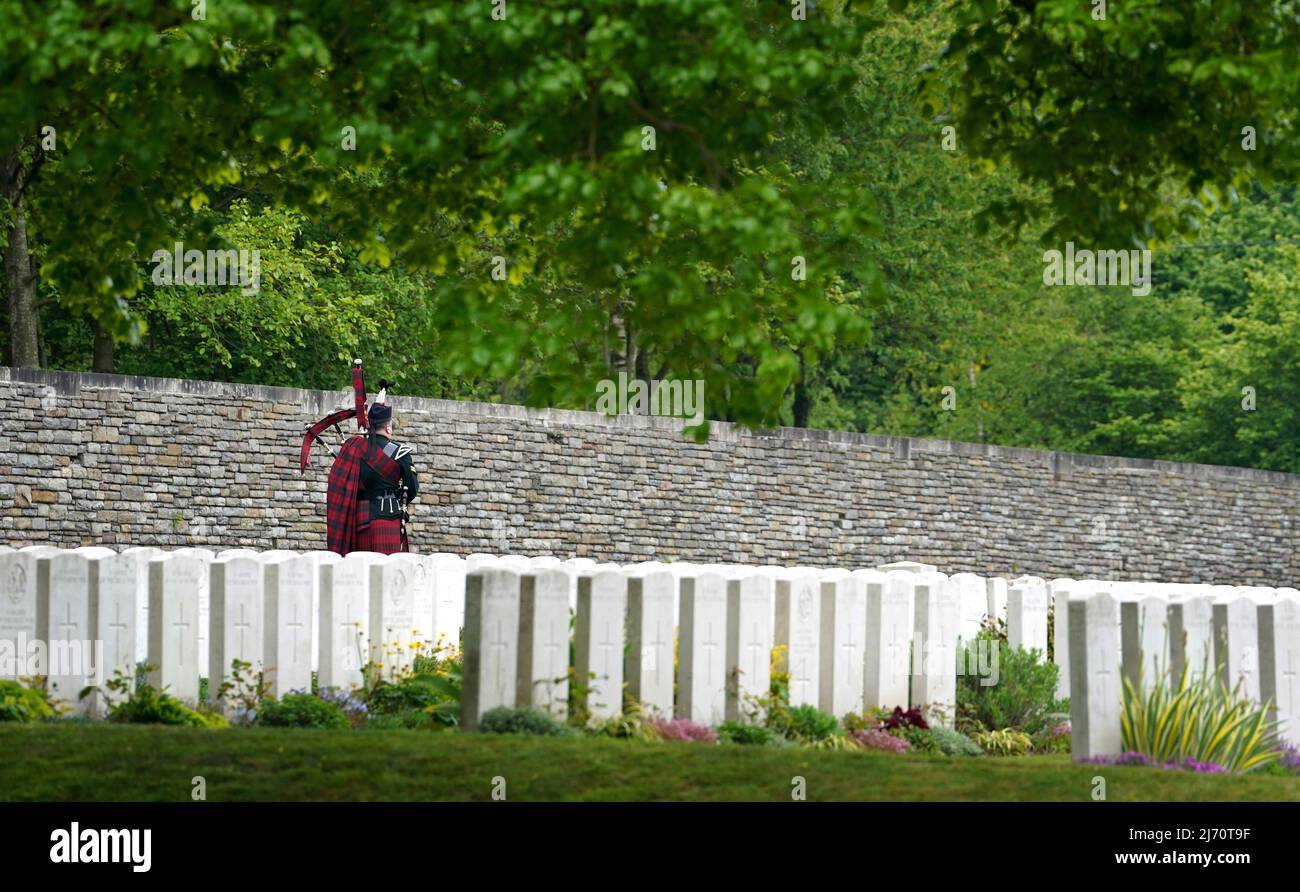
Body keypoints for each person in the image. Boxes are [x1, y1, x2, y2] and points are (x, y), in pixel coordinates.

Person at [324, 387, 418, 555]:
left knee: (362, 574)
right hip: (388, 521)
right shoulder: (400, 453)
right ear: (388, 427)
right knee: (388, 575)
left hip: (361, 521)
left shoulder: (355, 450)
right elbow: (411, 489)